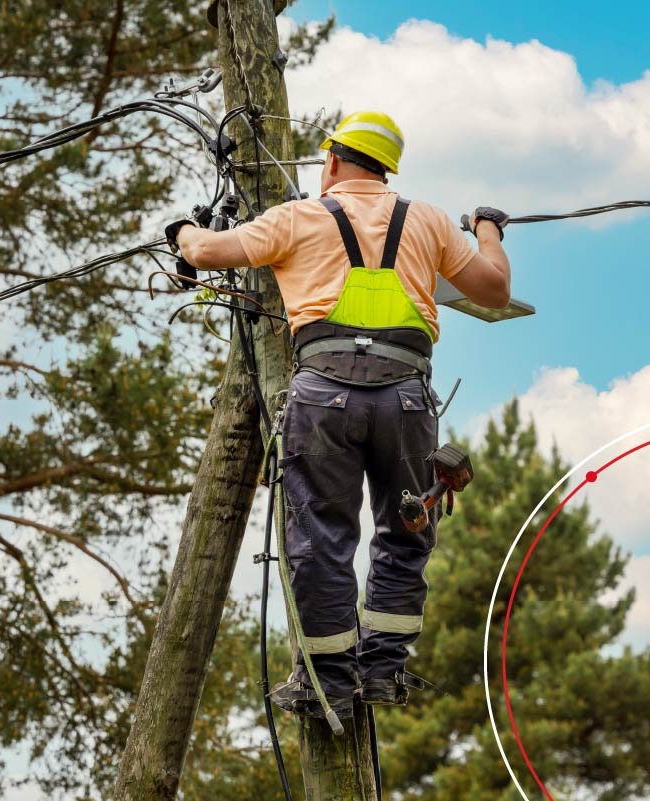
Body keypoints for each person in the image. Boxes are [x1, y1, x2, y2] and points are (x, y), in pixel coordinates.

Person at [165, 111, 512, 719]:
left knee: (320, 536)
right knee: (406, 530)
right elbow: (493, 290)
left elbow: (211, 252)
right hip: (406, 396)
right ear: (386, 169)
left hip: (322, 394)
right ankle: (382, 673)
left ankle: (326, 684)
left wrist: (183, 235)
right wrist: (487, 229)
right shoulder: (427, 220)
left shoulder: (299, 218)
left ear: (331, 161)